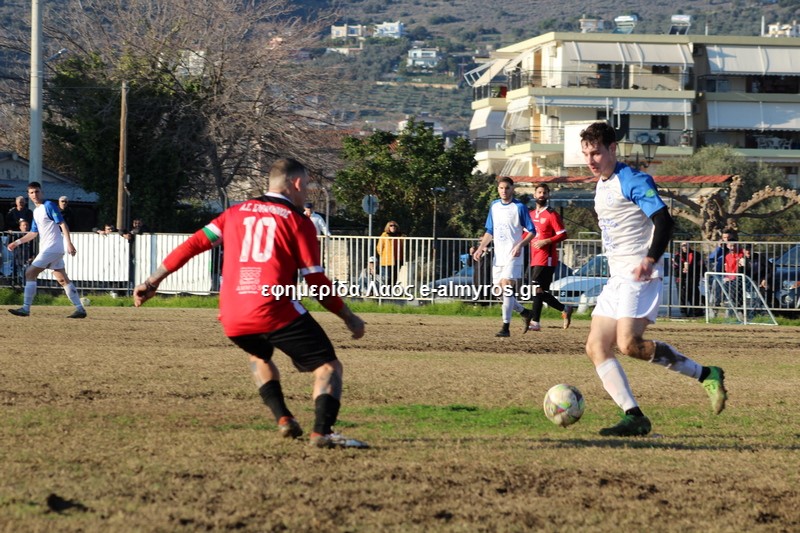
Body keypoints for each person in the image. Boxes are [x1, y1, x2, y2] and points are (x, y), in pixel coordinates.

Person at [132, 158, 368, 449]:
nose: (306, 191)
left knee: (259, 354)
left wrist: (152, 281)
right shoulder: (298, 221)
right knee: (328, 367)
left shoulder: (234, 213)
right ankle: (323, 433)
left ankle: (284, 418)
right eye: (306, 185)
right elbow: (316, 281)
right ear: (296, 184)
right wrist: (348, 317)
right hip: (274, 307)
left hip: (233, 315)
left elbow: (192, 245)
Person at [579, 121, 726, 437]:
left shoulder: (632, 180)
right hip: (617, 278)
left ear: (612, 149)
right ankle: (634, 416)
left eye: (596, 153)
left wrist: (649, 259)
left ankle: (706, 374)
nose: (591, 160)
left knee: (628, 344)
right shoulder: (602, 184)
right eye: (587, 154)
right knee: (595, 346)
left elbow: (664, 221)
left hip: (640, 274)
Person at [6, 181, 87, 319]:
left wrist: (69, 243)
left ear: (41, 192)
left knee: (30, 273)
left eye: (37, 191)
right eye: (32, 192)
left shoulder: (49, 205)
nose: (35, 195)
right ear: (28, 195)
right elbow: (33, 233)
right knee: (62, 279)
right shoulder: (36, 211)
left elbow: (62, 224)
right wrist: (17, 242)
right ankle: (80, 309)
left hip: (52, 248)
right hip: (51, 249)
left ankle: (25, 308)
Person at [472, 177, 536, 337]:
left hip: (514, 254)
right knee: (497, 291)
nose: (504, 191)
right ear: (498, 189)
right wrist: (480, 247)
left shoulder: (519, 207)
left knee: (507, 287)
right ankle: (525, 312)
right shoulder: (494, 206)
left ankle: (505, 327)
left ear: (512, 189)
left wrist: (520, 245)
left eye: (507, 188)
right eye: (501, 188)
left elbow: (532, 231)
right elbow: (490, 230)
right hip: (498, 255)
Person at [524, 183, 573, 331]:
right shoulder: (530, 214)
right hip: (534, 257)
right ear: (534, 195)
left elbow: (563, 234)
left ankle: (536, 322)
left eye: (544, 193)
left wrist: (546, 241)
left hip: (547, 258)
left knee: (536, 288)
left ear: (548, 195)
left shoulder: (552, 214)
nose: (541, 195)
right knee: (539, 290)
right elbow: (525, 234)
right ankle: (563, 309)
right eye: (539, 192)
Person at [673, 242, 705, 317]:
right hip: (681, 279)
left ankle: (696, 312)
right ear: (681, 246)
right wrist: (682, 271)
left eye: (686, 245)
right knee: (682, 296)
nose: (685, 247)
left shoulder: (696, 254)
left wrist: (703, 275)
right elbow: (675, 269)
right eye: (683, 245)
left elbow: (702, 266)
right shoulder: (677, 256)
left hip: (693, 278)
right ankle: (684, 313)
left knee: (694, 295)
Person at [376, 220, 404, 285]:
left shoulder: (400, 236)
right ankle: (386, 290)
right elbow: (379, 248)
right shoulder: (384, 235)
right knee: (387, 277)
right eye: (391, 225)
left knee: (395, 277)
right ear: (388, 227)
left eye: (394, 226)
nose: (393, 227)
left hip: (398, 259)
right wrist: (384, 256)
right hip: (387, 260)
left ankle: (392, 289)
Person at [12, 219, 37, 286]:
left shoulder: (32, 236)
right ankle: (16, 287)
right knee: (17, 275)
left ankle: (25, 288)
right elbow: (9, 244)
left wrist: (33, 257)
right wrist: (11, 234)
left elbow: (35, 247)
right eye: (23, 225)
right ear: (20, 227)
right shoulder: (16, 235)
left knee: (26, 276)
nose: (25, 227)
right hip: (18, 258)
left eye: (27, 225)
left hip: (28, 259)